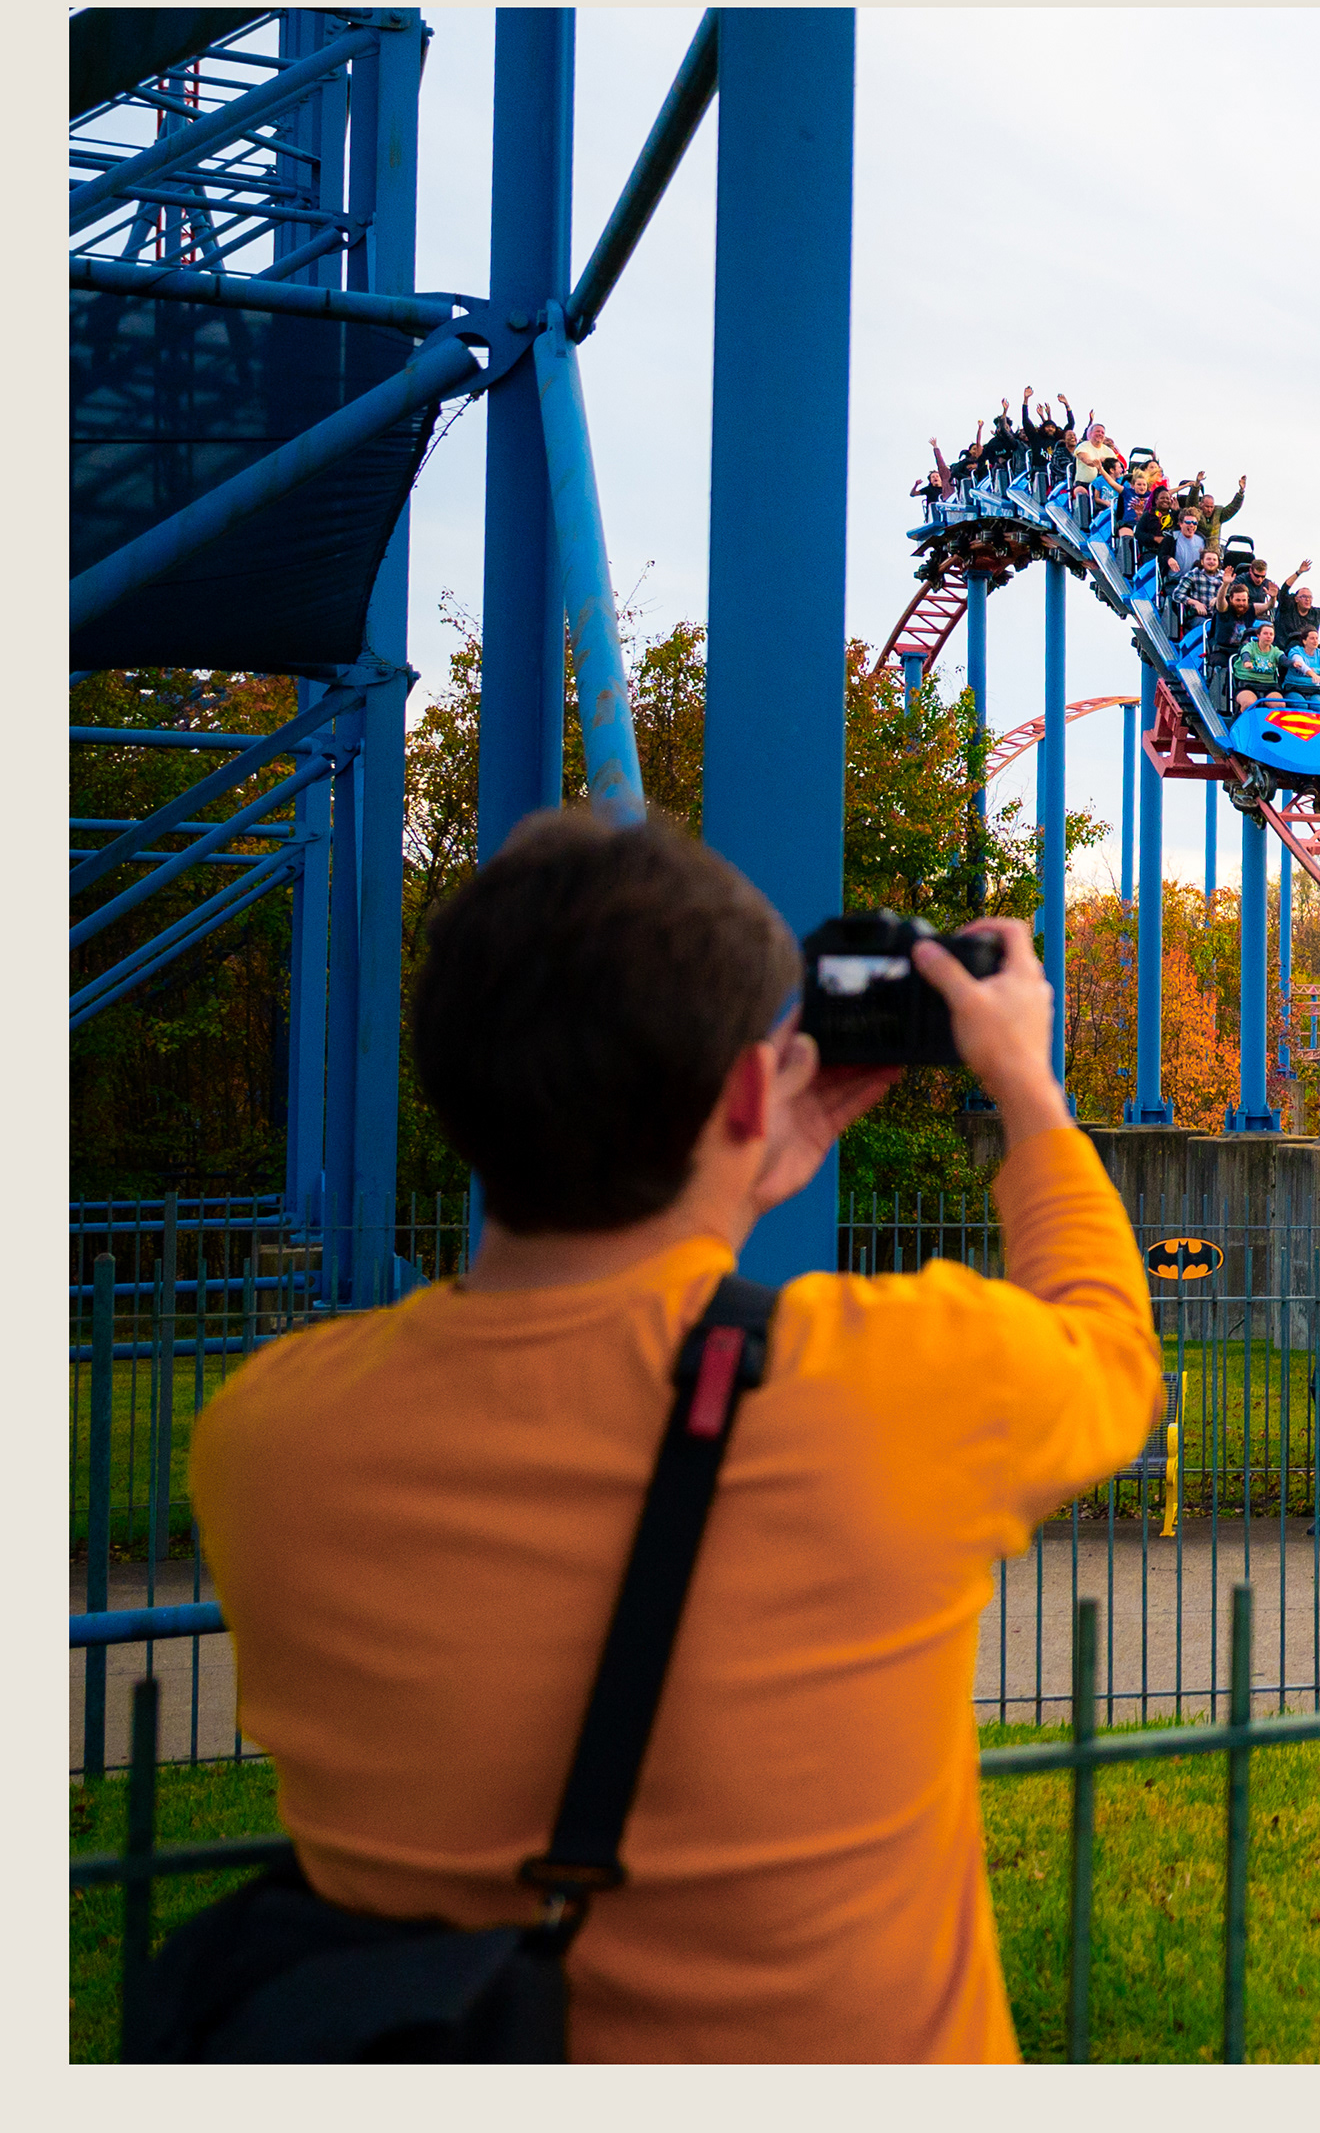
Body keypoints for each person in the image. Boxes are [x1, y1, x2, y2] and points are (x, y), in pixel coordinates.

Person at [190, 813, 1161, 2061]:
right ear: (752, 1091)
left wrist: (723, 1177)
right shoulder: (890, 1389)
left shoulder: (266, 1439)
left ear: (452, 1085)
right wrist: (1027, 1085)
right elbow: (1111, 1349)